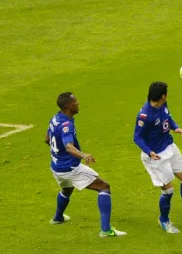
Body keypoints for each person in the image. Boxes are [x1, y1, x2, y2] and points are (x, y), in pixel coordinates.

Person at [133, 82, 182, 234]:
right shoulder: (144, 116)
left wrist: (176, 128)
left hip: (170, 147)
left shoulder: (162, 104)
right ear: (163, 96)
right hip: (155, 157)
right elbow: (137, 137)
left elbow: (167, 117)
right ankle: (164, 220)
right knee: (168, 191)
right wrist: (149, 152)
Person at [45, 92, 126, 237]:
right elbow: (69, 146)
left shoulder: (55, 119)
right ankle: (106, 230)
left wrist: (58, 154)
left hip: (56, 167)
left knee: (67, 190)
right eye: (76, 103)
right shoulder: (66, 124)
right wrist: (83, 155)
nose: (78, 104)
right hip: (70, 168)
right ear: (70, 106)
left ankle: (58, 218)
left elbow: (47, 139)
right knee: (104, 187)